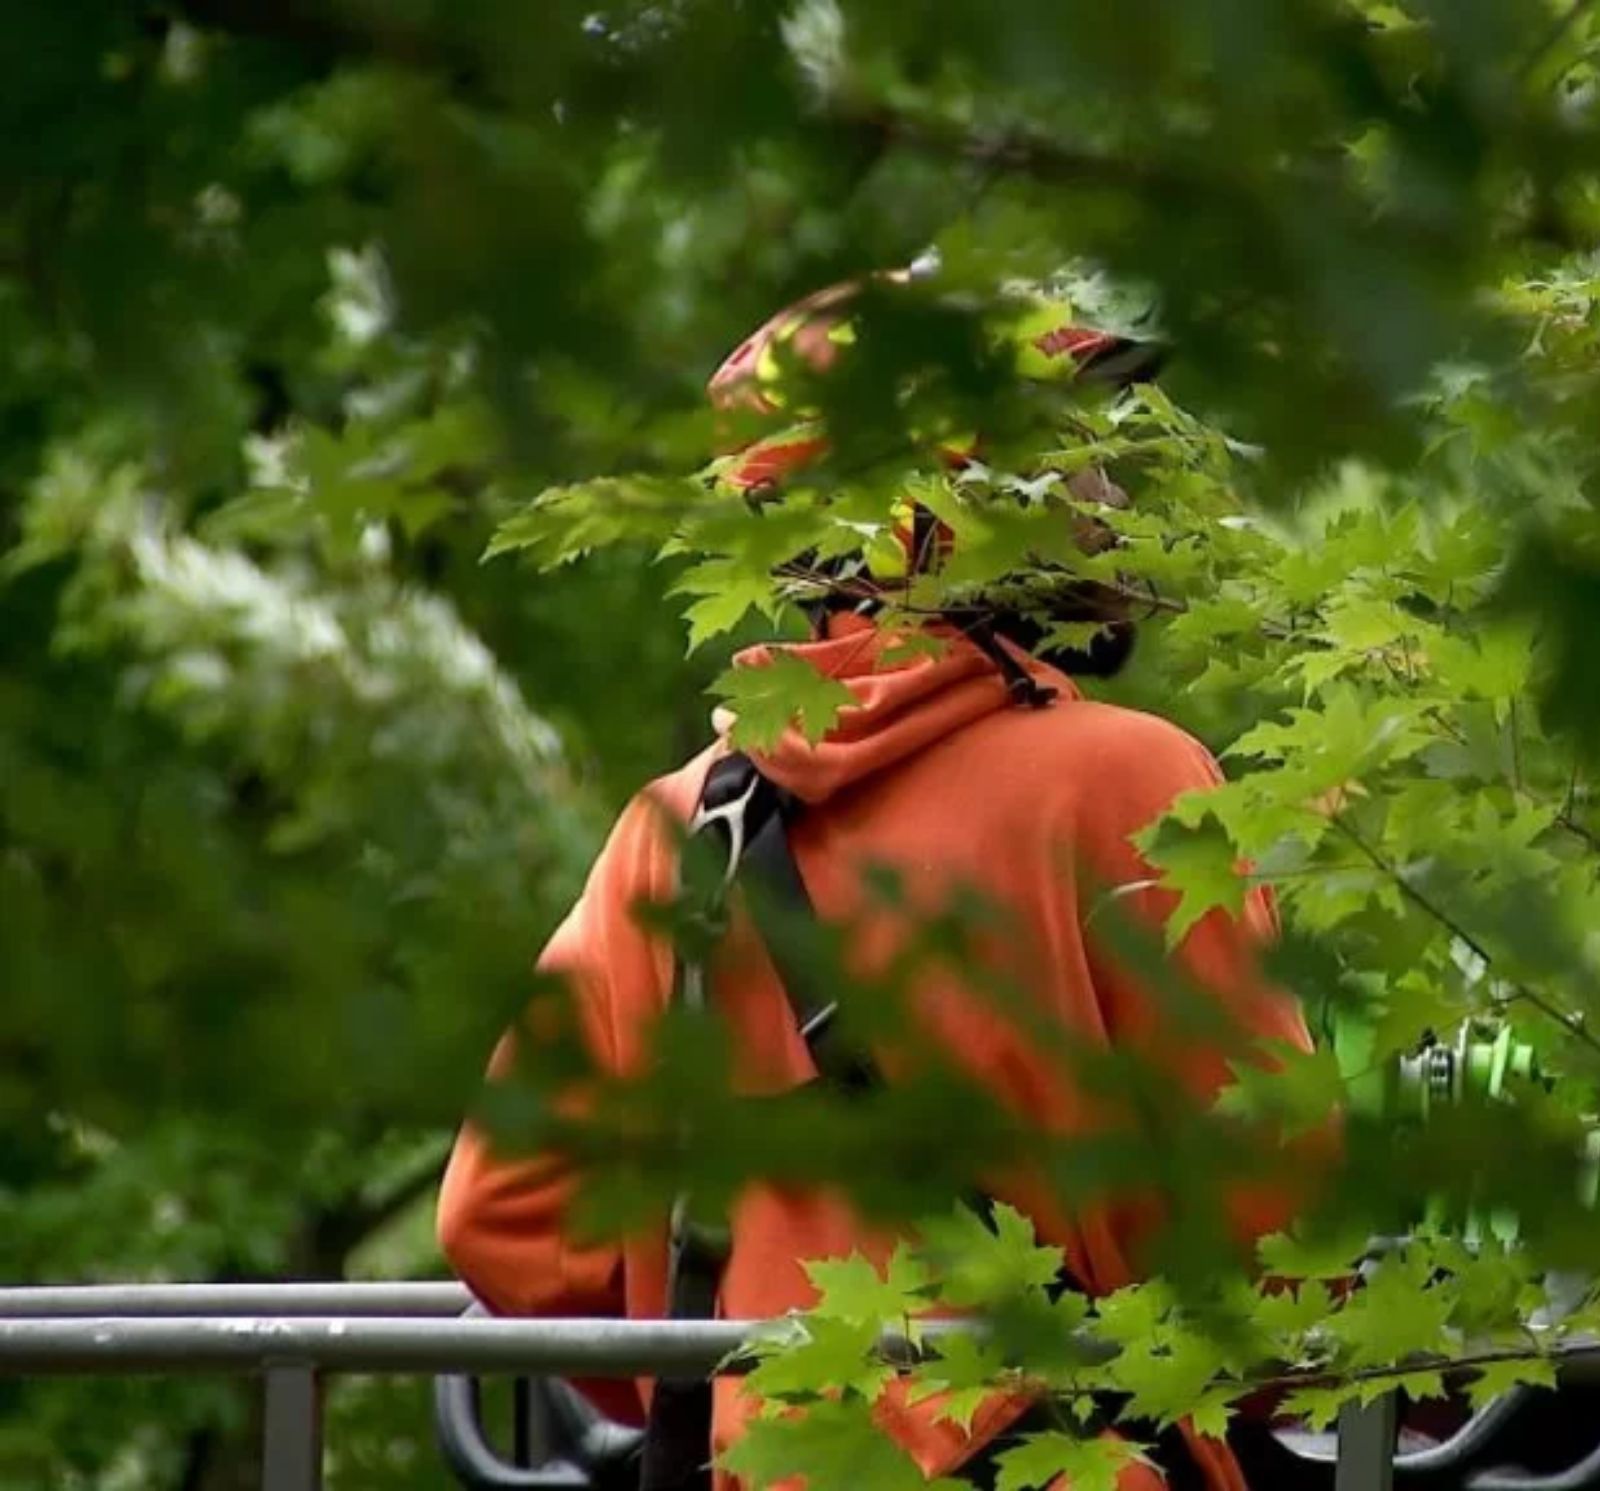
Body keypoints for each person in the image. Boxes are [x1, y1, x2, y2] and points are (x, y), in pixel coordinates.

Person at [437, 278, 1317, 1491]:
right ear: (938, 509)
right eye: (1068, 462)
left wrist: (721, 1381)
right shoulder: (1128, 783)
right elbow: (1273, 1221)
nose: (1111, 503)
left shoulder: (677, 827)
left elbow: (507, 1223)